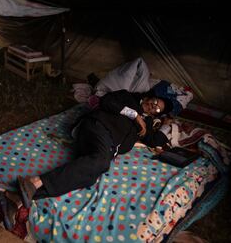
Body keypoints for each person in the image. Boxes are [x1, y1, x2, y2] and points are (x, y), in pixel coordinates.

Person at [16, 89, 173, 208]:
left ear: (156, 114)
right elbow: (106, 101)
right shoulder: (128, 97)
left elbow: (154, 141)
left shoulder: (146, 126)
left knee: (90, 177)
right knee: (101, 162)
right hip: (97, 128)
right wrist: (133, 115)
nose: (153, 106)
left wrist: (165, 125)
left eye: (157, 109)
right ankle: (36, 181)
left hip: (106, 147)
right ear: (150, 96)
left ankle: (17, 197)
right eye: (155, 101)